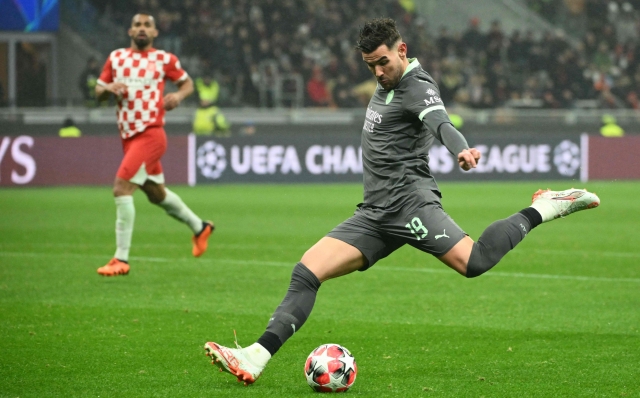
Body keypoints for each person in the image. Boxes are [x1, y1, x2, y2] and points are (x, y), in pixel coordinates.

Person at [203, 18, 601, 385]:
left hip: (410, 204)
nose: (378, 71)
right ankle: (255, 356)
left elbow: (442, 122)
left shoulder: (417, 87)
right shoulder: (386, 82)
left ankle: (546, 206)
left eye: (383, 61)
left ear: (402, 50)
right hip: (375, 213)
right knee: (306, 273)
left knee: (474, 262)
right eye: (370, 65)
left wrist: (460, 150)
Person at [95, 13, 214, 277]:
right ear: (130, 30)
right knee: (156, 194)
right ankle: (200, 227)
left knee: (121, 189)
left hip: (150, 134)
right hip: (128, 136)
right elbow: (98, 91)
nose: (142, 29)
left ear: (155, 33)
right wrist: (109, 89)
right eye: (137, 24)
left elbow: (187, 84)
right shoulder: (116, 58)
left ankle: (120, 259)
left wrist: (178, 96)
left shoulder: (164, 60)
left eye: (147, 25)